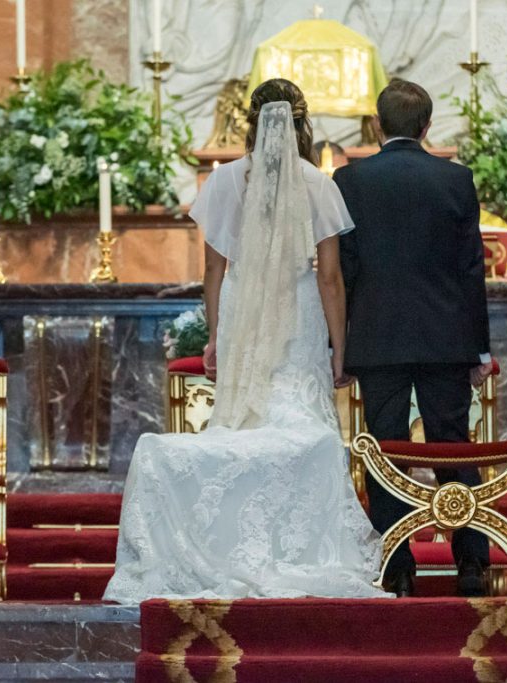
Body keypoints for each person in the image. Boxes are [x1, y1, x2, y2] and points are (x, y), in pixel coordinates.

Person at [104, 79, 385, 602]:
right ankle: (292, 539)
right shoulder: (318, 184)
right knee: (298, 414)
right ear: (302, 123)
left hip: (240, 307)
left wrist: (216, 335)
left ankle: (224, 536)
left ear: (250, 123)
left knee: (240, 418)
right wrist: (340, 350)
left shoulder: (224, 181)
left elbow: (213, 269)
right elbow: (329, 277)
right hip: (299, 309)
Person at [333, 79, 494, 598]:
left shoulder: (350, 181)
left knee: (385, 449)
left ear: (378, 126)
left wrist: (341, 343)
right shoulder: (456, 179)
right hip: (446, 337)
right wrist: (481, 348)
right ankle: (470, 562)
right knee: (453, 446)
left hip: (377, 339)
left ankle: (397, 564)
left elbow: (346, 270)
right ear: (428, 126)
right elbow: (472, 269)